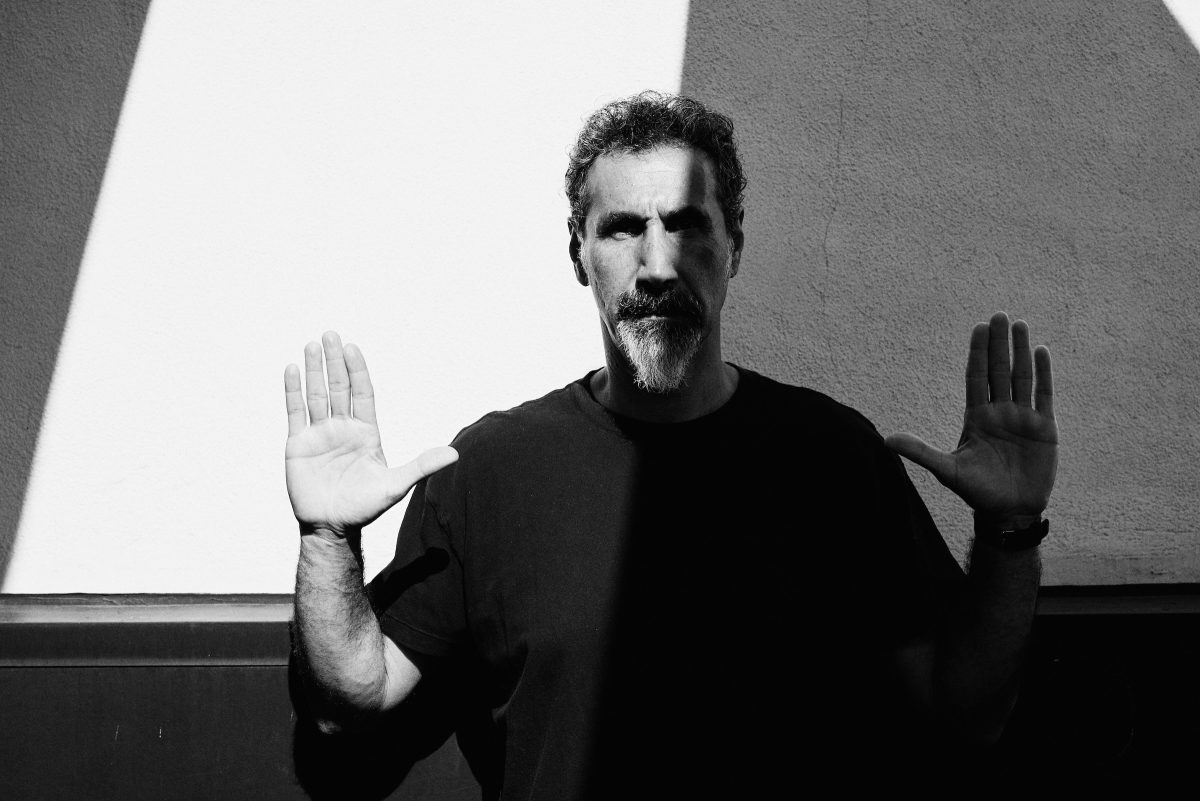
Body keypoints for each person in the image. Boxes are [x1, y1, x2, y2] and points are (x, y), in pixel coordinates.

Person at [283, 92, 1058, 798]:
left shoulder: (835, 459)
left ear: (734, 245)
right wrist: (326, 537)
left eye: (685, 225)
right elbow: (353, 704)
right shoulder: (486, 473)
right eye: (624, 228)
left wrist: (1010, 531)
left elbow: (968, 714)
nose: (657, 266)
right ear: (579, 254)